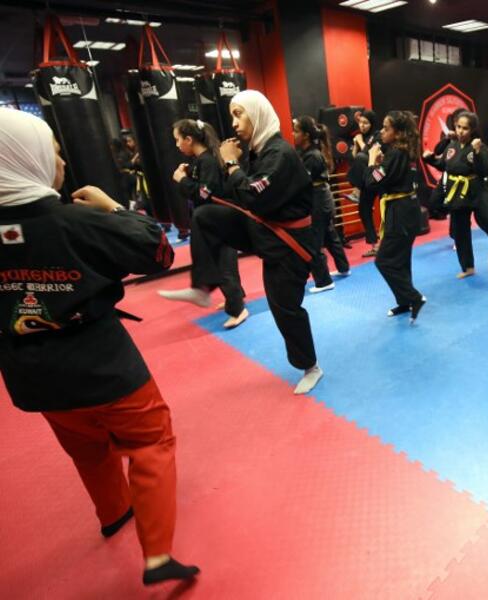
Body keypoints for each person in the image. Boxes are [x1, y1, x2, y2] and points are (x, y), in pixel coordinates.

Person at [0, 109, 199, 585]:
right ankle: (156, 558)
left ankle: (113, 512)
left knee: (87, 448)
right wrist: (113, 207)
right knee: (150, 442)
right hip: (103, 364)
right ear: (24, 157)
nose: (62, 160)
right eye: (52, 149)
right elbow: (159, 252)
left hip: (32, 374)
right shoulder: (77, 221)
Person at [158, 90, 323, 395]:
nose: (234, 122)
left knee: (284, 308)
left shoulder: (280, 153)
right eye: (232, 114)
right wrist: (228, 166)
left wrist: (232, 166)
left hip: (287, 246)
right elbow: (238, 196)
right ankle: (201, 287)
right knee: (205, 216)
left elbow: (252, 196)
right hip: (266, 232)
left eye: (239, 113)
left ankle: (311, 366)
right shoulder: (259, 152)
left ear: (257, 113)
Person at [159, 118, 248, 329]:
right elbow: (207, 187)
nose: (177, 144)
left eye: (178, 140)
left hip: (220, 219)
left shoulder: (207, 160)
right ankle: (235, 298)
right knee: (223, 259)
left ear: (189, 139)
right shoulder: (202, 161)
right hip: (217, 219)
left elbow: (205, 193)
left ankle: (238, 308)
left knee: (224, 262)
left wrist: (182, 180)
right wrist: (190, 175)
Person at [423, 111, 488, 278]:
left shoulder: (479, 147)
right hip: (458, 193)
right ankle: (468, 267)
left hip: (477, 192)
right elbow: (444, 164)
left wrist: (476, 152)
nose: (460, 131)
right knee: (460, 232)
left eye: (465, 128)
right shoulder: (452, 145)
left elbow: (483, 171)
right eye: (458, 127)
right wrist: (430, 159)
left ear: (472, 130)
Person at [364, 111, 426, 321]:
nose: (381, 131)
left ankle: (413, 297)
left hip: (400, 212)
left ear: (398, 133)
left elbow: (372, 181)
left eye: (386, 128)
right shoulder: (402, 152)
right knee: (401, 259)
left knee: (384, 261)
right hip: (406, 208)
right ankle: (404, 301)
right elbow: (389, 177)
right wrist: (382, 163)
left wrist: (372, 161)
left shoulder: (396, 154)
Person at [293, 115, 350, 293]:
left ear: (306, 135)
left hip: (318, 200)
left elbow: (303, 182)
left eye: (296, 131)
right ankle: (343, 267)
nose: (293, 134)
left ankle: (323, 281)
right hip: (322, 199)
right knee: (329, 235)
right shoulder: (310, 153)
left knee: (314, 241)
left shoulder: (312, 155)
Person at [349, 110, 381, 256]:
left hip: (379, 176)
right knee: (363, 209)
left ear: (372, 124)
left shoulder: (377, 135)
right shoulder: (361, 137)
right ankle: (374, 245)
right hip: (367, 179)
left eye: (365, 123)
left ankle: (356, 190)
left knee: (388, 210)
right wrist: (356, 144)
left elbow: (369, 156)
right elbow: (355, 159)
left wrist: (361, 142)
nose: (362, 125)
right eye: (360, 122)